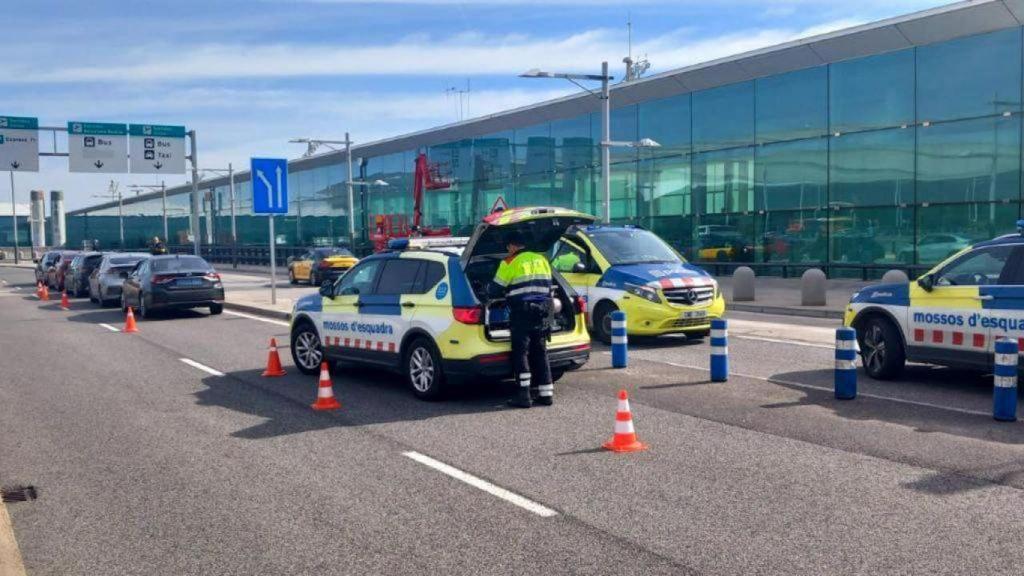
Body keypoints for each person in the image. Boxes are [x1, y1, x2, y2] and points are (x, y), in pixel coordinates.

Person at [490, 231, 554, 408]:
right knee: (541, 352)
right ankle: (546, 394)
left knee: (521, 353)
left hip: (521, 314)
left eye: (507, 247)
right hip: (542, 312)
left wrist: (488, 289)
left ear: (512, 246)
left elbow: (495, 289)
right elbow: (549, 288)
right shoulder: (542, 260)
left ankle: (524, 395)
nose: (507, 250)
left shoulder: (510, 262)